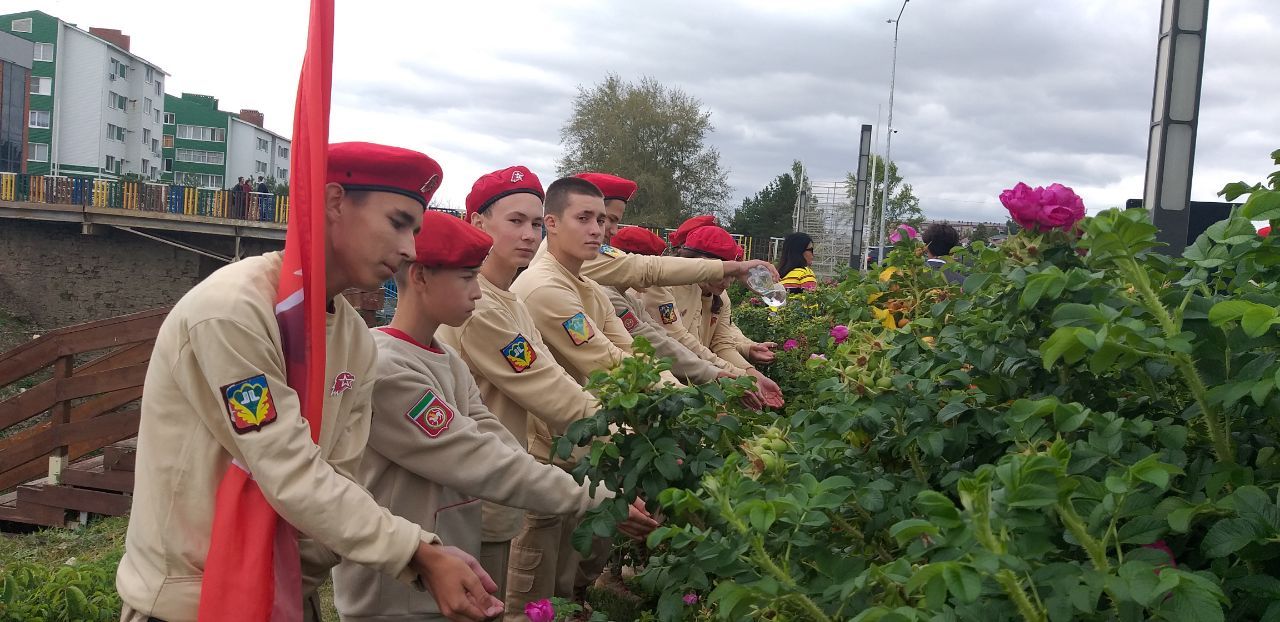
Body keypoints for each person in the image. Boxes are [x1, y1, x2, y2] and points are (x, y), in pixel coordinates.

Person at [117, 142, 503, 622]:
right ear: (335, 201)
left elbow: (339, 475)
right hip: (196, 601)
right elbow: (288, 470)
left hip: (290, 597)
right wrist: (418, 553)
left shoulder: (354, 340)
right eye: (398, 222)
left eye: (416, 231)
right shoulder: (233, 313)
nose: (409, 249)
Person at [333, 211, 642, 620]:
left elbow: (500, 443)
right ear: (421, 276)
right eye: (466, 278)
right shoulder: (390, 370)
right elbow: (478, 458)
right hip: (395, 593)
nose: (478, 293)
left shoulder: (444, 359)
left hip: (448, 565)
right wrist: (596, 500)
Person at [435, 167, 657, 620]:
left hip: (517, 472)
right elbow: (550, 389)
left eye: (535, 224)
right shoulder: (478, 305)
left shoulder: (510, 297)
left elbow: (567, 372)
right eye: (515, 221)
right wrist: (635, 443)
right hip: (483, 487)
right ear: (477, 223)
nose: (529, 235)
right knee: (510, 605)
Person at [508, 176, 675, 606]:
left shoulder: (586, 288)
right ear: (553, 224)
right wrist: (676, 408)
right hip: (547, 454)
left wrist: (681, 395)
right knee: (532, 593)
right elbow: (607, 364)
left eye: (602, 219)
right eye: (584, 218)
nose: (598, 229)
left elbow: (632, 355)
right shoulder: (545, 288)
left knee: (567, 584)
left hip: (582, 448)